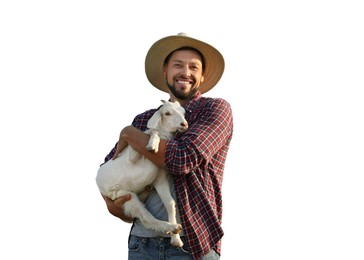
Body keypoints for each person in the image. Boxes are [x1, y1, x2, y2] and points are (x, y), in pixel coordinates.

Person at [101, 33, 234, 260]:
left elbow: (182, 159)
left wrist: (130, 134)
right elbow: (111, 166)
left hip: (193, 246)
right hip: (142, 244)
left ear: (202, 76)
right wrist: (112, 203)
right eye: (178, 65)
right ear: (165, 71)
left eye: (194, 67)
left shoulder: (215, 110)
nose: (186, 72)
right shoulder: (143, 120)